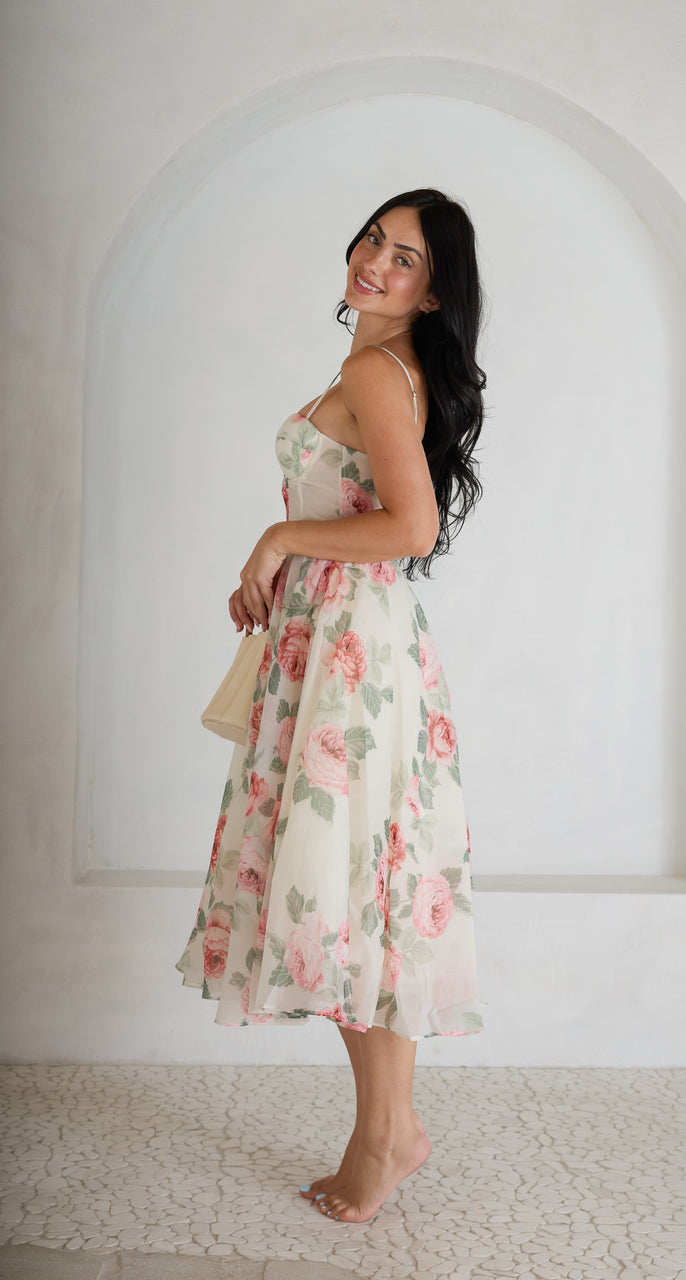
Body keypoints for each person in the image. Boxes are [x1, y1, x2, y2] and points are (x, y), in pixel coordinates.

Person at [175, 187, 489, 1224]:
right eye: (373, 240)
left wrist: (278, 541)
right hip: (343, 636)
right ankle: (389, 1129)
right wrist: (278, 570)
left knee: (356, 889)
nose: (375, 262)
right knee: (367, 888)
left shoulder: (372, 370)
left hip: (351, 654)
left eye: (404, 259)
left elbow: (410, 526)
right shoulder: (379, 367)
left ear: (433, 292)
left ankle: (387, 1133)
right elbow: (366, 515)